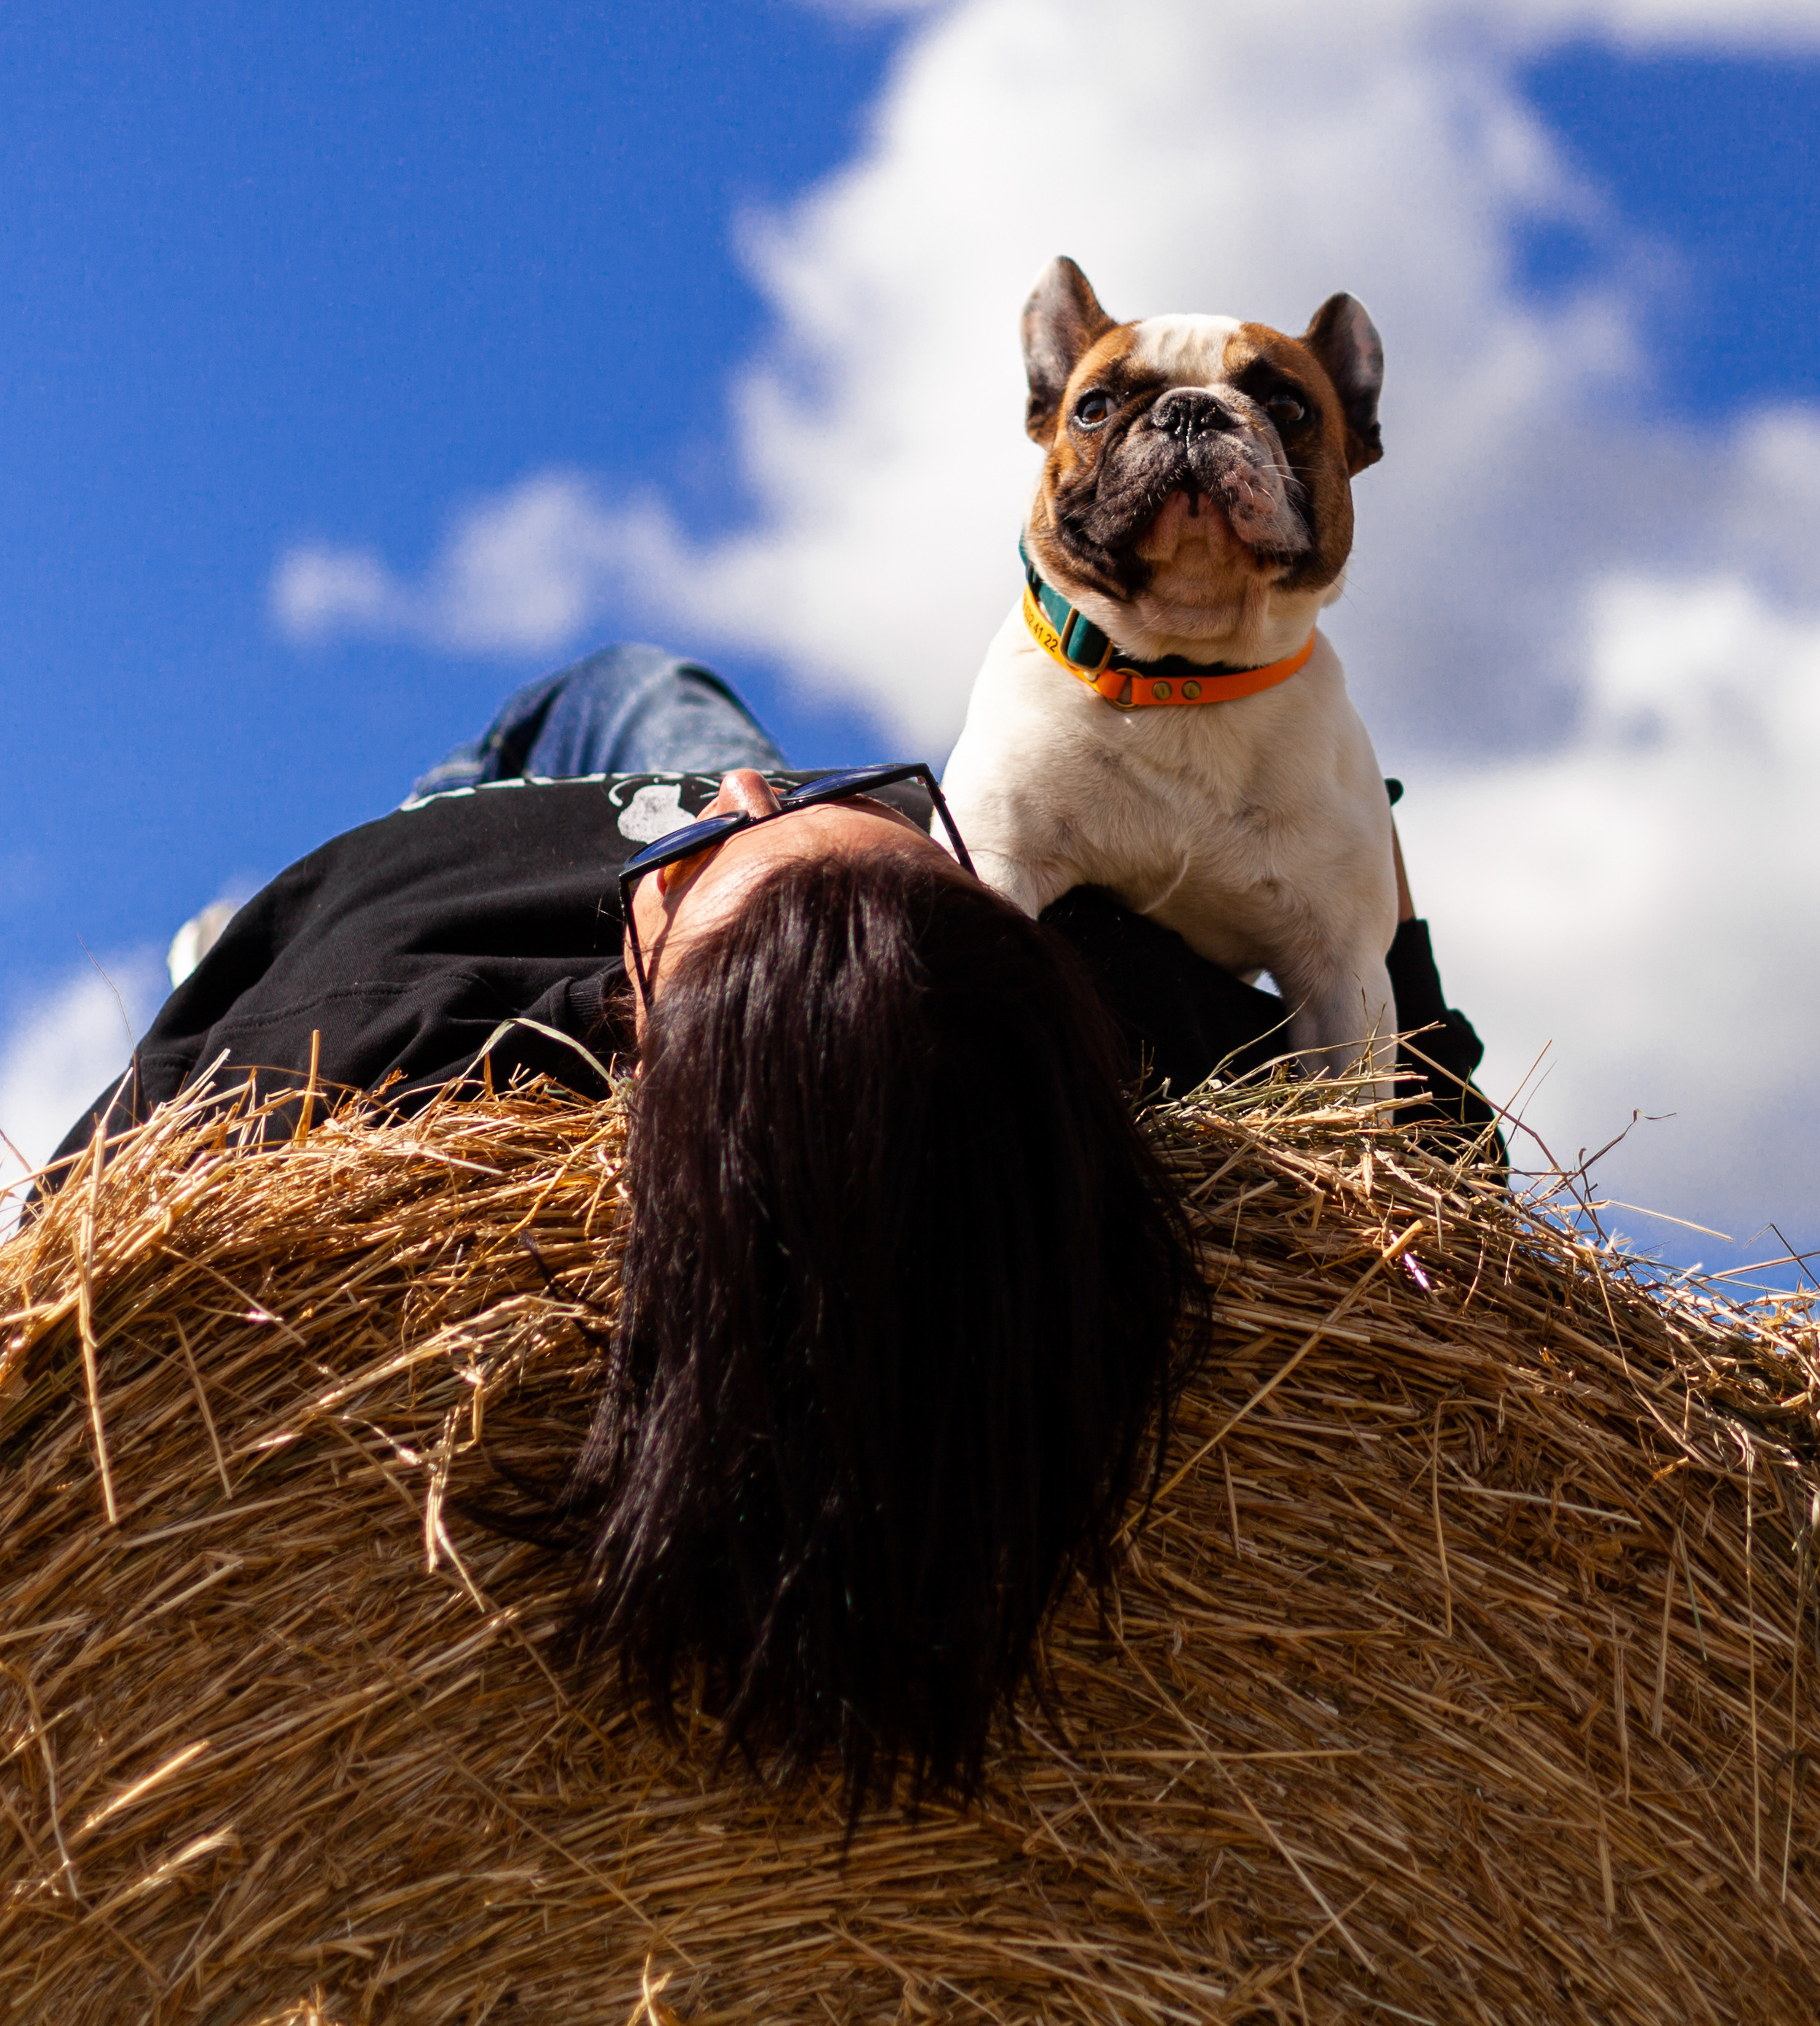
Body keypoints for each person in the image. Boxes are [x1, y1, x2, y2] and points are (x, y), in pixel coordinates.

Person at [51, 642, 1490, 1815]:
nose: (748, 785)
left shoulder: (350, 1028)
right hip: (696, 844)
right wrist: (1388, 897)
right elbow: (1440, 1171)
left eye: (711, 841)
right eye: (888, 825)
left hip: (405, 869)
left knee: (572, 704)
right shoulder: (1070, 1021)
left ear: (651, 985)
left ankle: (454, 816)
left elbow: (58, 1304)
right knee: (626, 681)